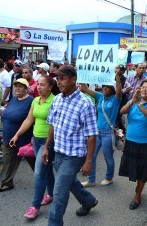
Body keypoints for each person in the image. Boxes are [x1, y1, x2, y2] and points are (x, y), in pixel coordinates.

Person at [42, 65, 98, 225]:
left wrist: (88, 162)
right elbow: (53, 125)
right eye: (57, 79)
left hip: (74, 156)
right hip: (58, 152)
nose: (59, 83)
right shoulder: (57, 99)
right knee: (69, 181)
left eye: (63, 79)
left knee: (59, 192)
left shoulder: (85, 103)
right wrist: (47, 147)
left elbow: (91, 135)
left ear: (73, 79)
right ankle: (88, 201)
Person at [9, 76, 56, 220]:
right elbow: (29, 119)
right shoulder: (35, 100)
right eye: (38, 85)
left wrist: (47, 145)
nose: (39, 87)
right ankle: (52, 195)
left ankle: (35, 206)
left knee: (39, 173)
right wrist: (17, 135)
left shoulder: (55, 101)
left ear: (50, 87)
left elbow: (54, 125)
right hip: (36, 140)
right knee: (46, 170)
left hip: (48, 142)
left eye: (43, 85)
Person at [118, 79, 147, 210]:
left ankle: (138, 194)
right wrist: (133, 101)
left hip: (146, 144)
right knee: (135, 169)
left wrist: (139, 103)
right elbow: (122, 111)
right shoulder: (134, 102)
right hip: (131, 142)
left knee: (143, 171)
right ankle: (139, 186)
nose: (144, 89)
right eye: (142, 86)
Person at [79, 71, 122, 187]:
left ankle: (109, 177)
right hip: (96, 132)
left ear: (112, 89)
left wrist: (117, 77)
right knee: (91, 156)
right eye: (103, 87)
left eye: (107, 87)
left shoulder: (116, 99)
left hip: (108, 133)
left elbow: (119, 91)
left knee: (108, 157)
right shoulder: (100, 97)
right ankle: (91, 179)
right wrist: (81, 73)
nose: (104, 89)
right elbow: (85, 89)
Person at [0, 78, 35, 192]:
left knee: (36, 164)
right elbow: (8, 113)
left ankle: (47, 182)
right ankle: (6, 183)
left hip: (24, 140)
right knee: (8, 161)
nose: (17, 88)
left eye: (20, 86)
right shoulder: (13, 99)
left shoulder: (31, 101)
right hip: (8, 138)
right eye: (16, 86)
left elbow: (32, 119)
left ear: (26, 89)